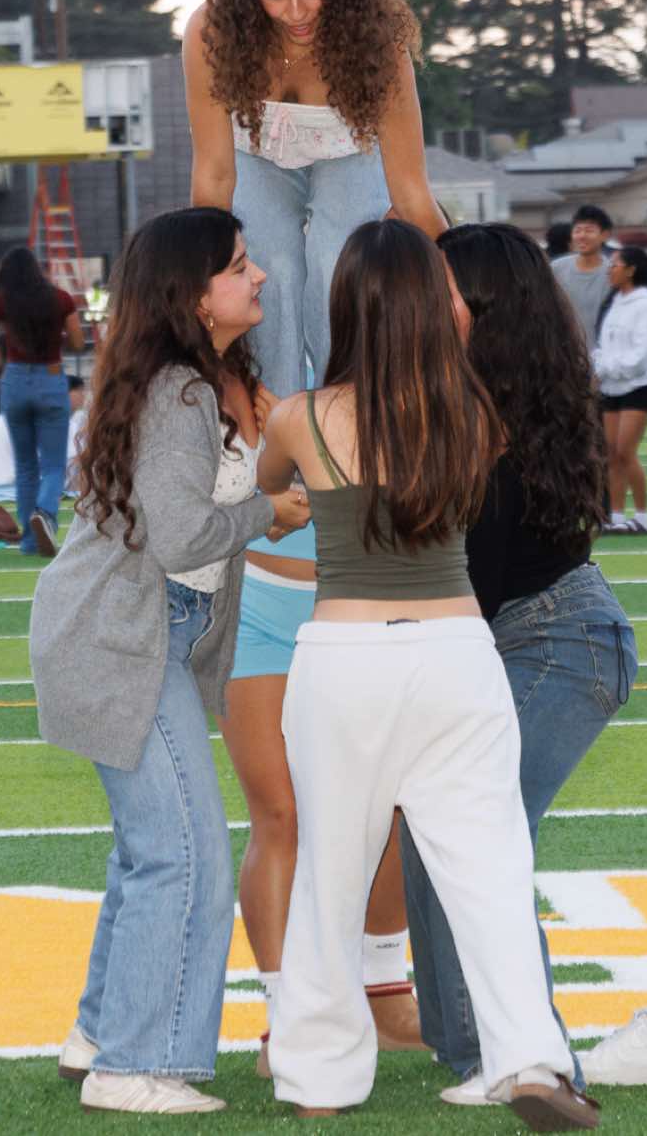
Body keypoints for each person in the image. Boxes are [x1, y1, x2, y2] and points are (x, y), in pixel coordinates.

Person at [256, 219, 596, 1129]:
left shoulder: (300, 415)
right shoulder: (473, 415)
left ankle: (319, 1078)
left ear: (345, 306)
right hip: (456, 656)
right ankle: (529, 1057)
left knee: (331, 872)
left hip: (344, 660)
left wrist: (292, 503)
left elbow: (269, 485)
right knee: (490, 869)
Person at [31, 207, 310, 1116]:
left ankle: (99, 1034)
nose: (258, 275)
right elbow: (184, 534)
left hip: (145, 628)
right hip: (123, 633)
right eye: (238, 265)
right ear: (193, 295)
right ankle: (134, 1063)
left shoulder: (204, 380)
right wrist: (271, 512)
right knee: (181, 853)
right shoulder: (180, 392)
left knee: (148, 849)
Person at [408, 224, 637, 1107]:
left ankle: (529, 1058)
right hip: (533, 633)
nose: (425, 304)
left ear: (485, 306)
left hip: (556, 642)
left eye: (441, 289)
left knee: (477, 833)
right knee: (443, 830)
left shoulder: (496, 420)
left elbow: (475, 584)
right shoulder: (501, 394)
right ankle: (476, 1046)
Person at [186, 0, 442, 398]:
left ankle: (346, 411)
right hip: (254, 155)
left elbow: (410, 190)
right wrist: (200, 272)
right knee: (268, 271)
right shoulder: (212, 34)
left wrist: (454, 274)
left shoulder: (378, 40)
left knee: (338, 266)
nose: (296, 11)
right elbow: (214, 173)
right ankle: (269, 420)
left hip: (348, 151)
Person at [0, 247, 85, 558]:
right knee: (53, 465)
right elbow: (78, 342)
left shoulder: (2, 301)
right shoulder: (60, 299)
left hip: (14, 380)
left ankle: (29, 540)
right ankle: (45, 515)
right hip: (50, 378)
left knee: (25, 466)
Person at [593, 246, 647, 534]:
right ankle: (615, 517)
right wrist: (599, 369)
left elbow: (645, 353)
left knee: (625, 451)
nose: (609, 270)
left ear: (631, 270)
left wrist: (611, 368)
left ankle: (643, 517)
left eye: (615, 265)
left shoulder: (646, 304)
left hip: (638, 387)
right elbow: (603, 345)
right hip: (611, 388)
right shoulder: (615, 302)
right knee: (611, 454)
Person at [551, 205, 615, 346]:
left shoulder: (613, 272)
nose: (582, 236)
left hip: (602, 354)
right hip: (565, 352)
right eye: (577, 230)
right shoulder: (556, 269)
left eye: (589, 231)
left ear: (605, 235)